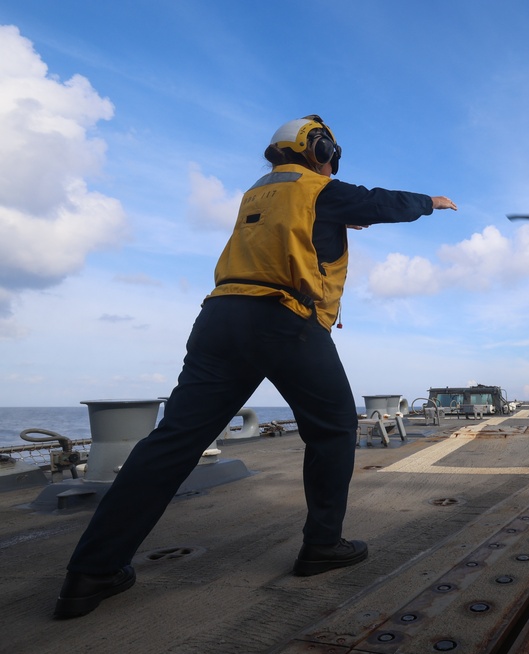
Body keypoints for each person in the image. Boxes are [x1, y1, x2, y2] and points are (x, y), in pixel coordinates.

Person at [53, 115, 458, 619]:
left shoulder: (260, 192)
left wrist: (335, 215)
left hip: (219, 319)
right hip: (282, 319)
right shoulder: (315, 187)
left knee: (173, 441)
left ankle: (90, 573)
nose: (331, 164)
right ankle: (322, 546)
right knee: (333, 431)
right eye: (330, 155)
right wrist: (430, 203)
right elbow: (379, 201)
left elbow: (304, 225)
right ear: (320, 149)